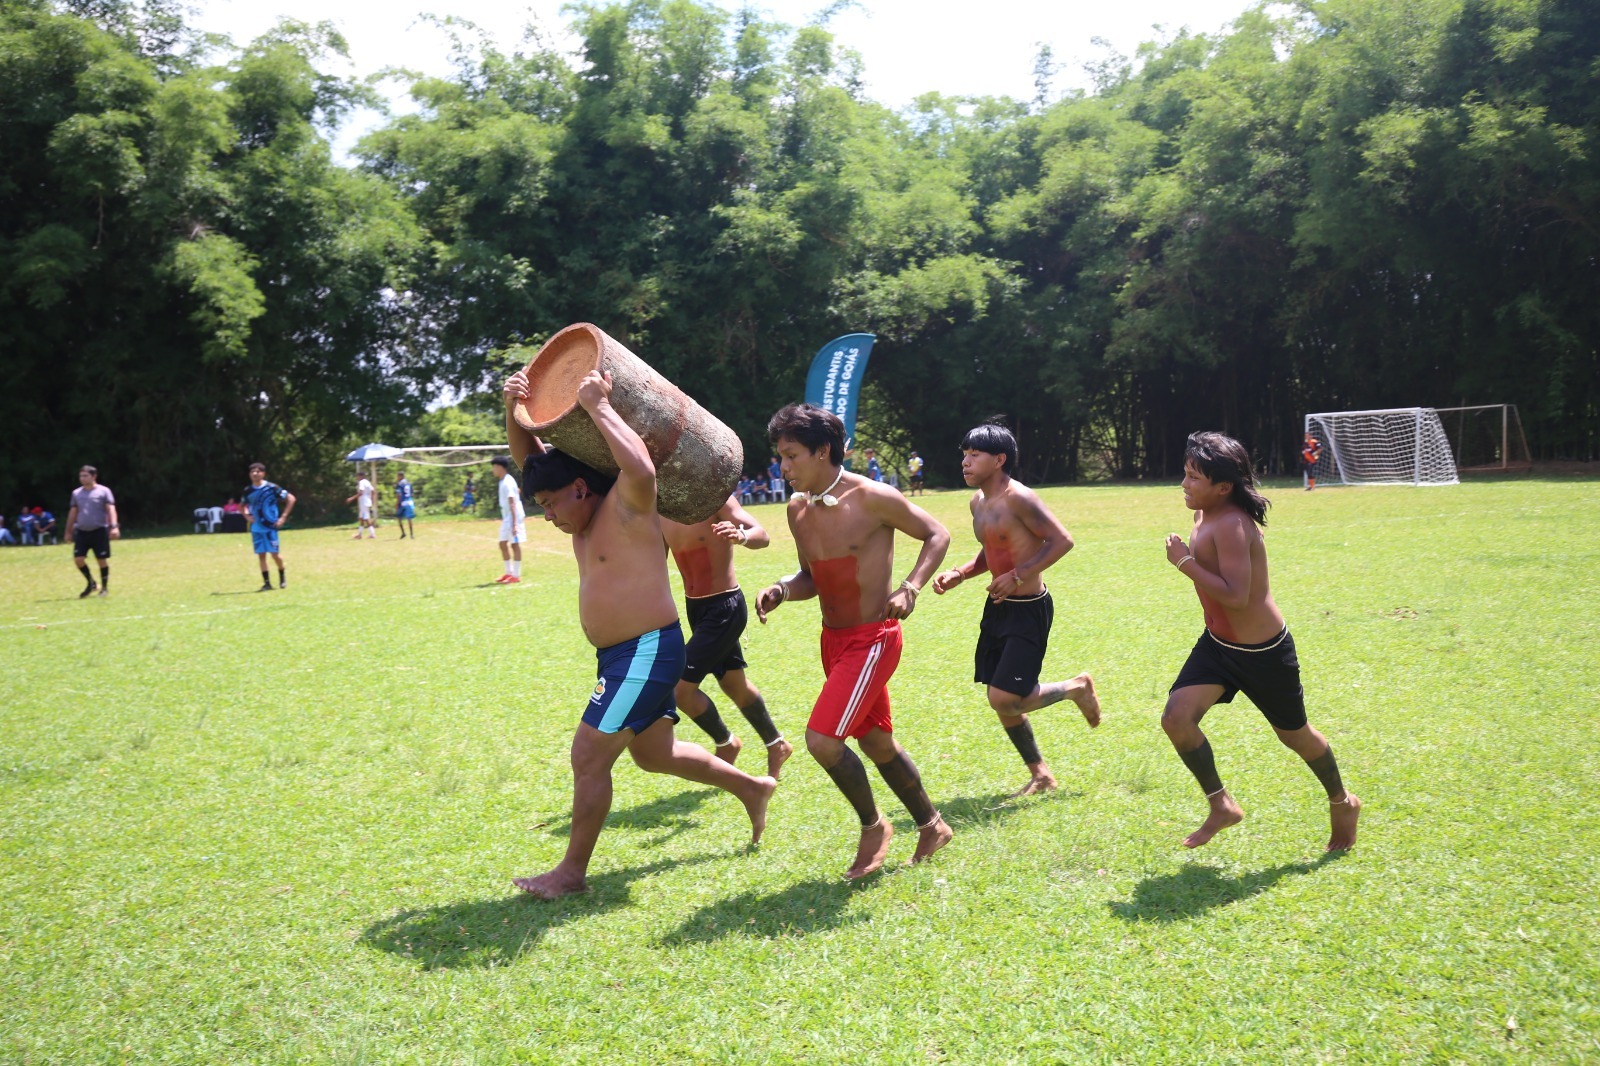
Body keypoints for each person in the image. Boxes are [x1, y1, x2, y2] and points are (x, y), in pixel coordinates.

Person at [502, 365, 776, 900]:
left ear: (580, 488)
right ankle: (753, 787)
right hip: (622, 657)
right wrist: (515, 409)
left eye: (553, 503)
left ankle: (571, 873)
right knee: (654, 755)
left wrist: (600, 405)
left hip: (645, 652)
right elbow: (534, 464)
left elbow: (644, 472)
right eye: (542, 508)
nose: (550, 515)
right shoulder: (579, 517)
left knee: (588, 755)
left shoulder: (626, 507)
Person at [756, 403, 954, 879]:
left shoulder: (872, 497)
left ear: (823, 451)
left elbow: (937, 534)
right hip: (834, 642)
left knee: (822, 740)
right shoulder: (796, 507)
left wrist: (910, 587)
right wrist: (783, 589)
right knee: (879, 743)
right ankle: (932, 826)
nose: (783, 468)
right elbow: (812, 576)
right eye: (780, 457)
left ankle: (874, 826)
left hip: (874, 639)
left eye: (791, 456)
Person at [1162, 431, 1360, 851]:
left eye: (1194, 478)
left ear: (1223, 486)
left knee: (1295, 736)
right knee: (1176, 717)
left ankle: (1342, 802)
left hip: (1263, 653)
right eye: (1185, 474)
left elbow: (1236, 595)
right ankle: (1222, 806)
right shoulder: (1204, 513)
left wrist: (1183, 562)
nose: (1184, 484)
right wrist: (1190, 558)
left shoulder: (1233, 523)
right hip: (1218, 646)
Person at [932, 424, 1100, 797]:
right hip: (999, 608)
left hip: (1028, 608)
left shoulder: (1020, 498)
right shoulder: (977, 502)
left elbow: (1062, 540)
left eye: (975, 455)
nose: (966, 461)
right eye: (965, 454)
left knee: (1003, 696)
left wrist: (1019, 574)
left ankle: (1075, 687)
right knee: (1001, 696)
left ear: (999, 460)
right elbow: (993, 549)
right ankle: (1040, 774)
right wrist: (962, 573)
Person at [661, 495, 794, 779]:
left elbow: (763, 535)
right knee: (735, 684)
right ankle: (777, 744)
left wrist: (741, 535)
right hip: (696, 608)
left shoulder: (713, 497)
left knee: (679, 690)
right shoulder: (661, 506)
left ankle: (726, 742)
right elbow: (655, 561)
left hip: (724, 608)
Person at [65, 466, 119, 598]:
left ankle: (104, 588)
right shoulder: (76, 493)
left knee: (101, 560)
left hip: (99, 531)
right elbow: (73, 513)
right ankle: (91, 583)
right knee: (78, 560)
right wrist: (68, 531)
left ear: (94, 477)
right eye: (81, 476)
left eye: (85, 476)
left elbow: (110, 509)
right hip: (82, 532)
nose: (82, 479)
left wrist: (114, 526)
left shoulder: (104, 491)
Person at [242, 462, 295, 591]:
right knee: (261, 555)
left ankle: (282, 575)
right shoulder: (248, 491)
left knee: (275, 554)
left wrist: (283, 517)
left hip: (271, 526)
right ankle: (267, 583)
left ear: (263, 473)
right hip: (257, 528)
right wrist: (247, 515)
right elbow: (242, 505)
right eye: (252, 472)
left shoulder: (272, 488)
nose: (255, 474)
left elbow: (291, 499)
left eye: (258, 471)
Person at [492, 456, 525, 584]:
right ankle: (508, 572)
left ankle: (515, 575)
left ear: (500, 467)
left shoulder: (507, 481)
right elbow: (516, 492)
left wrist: (515, 524)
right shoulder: (504, 481)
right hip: (507, 517)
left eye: (494, 467)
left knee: (514, 544)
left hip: (513, 517)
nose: (493, 470)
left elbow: (512, 503)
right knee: (502, 544)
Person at [346, 473, 377, 539]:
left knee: (366, 518)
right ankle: (360, 534)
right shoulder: (367, 482)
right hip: (367, 501)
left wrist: (352, 498)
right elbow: (373, 491)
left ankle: (372, 534)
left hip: (363, 502)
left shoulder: (361, 482)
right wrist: (372, 500)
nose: (357, 478)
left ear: (361, 476)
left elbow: (361, 492)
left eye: (357, 476)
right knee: (361, 518)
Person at [394, 472, 416, 539]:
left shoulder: (400, 484)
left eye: (398, 476)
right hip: (409, 502)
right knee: (409, 518)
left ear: (401, 476)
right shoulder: (408, 483)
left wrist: (397, 503)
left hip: (403, 502)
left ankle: (403, 533)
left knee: (399, 517)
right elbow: (411, 492)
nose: (397, 478)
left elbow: (399, 494)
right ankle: (412, 534)